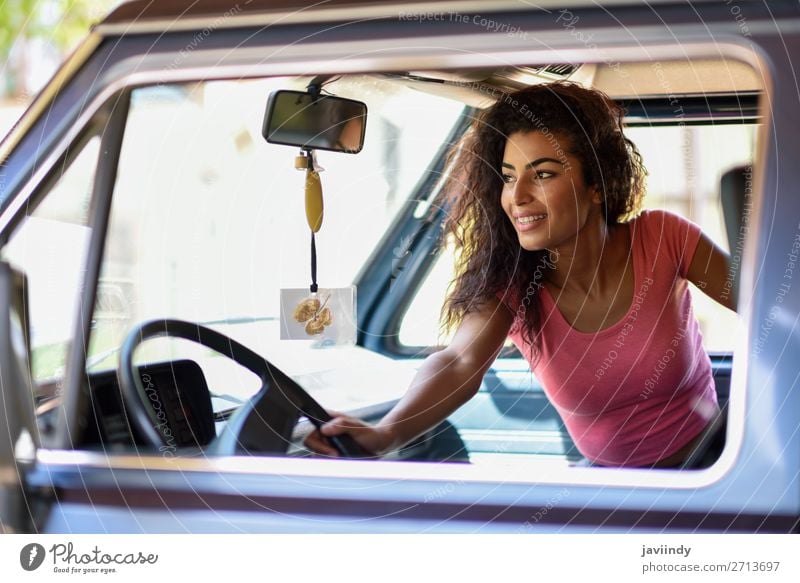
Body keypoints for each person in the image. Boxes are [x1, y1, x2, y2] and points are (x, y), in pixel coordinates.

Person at [304, 81, 736, 468]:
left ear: (596, 184)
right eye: (508, 179)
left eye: (543, 174)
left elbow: (768, 303)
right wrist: (387, 433)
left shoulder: (663, 237)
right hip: (612, 487)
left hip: (715, 463)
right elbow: (459, 361)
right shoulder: (511, 284)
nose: (517, 197)